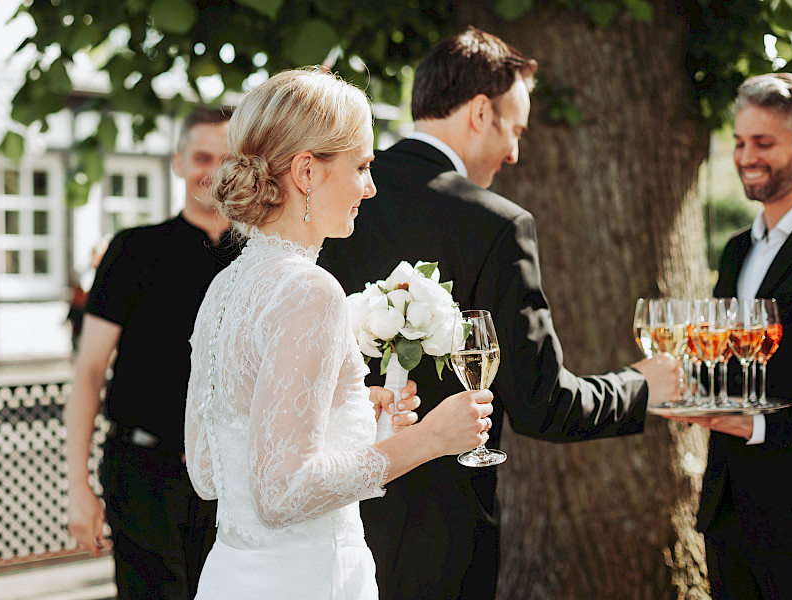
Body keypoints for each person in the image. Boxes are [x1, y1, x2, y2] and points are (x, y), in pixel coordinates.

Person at [318, 27, 682, 600]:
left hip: (322, 514)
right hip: (435, 536)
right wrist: (642, 386)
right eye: (515, 129)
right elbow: (543, 404)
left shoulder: (328, 195)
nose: (515, 152)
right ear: (481, 112)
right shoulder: (494, 223)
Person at [183, 67, 495, 600]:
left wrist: (353, 422)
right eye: (362, 165)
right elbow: (280, 493)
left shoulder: (225, 288)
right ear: (306, 171)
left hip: (231, 575)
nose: (370, 187)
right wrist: (431, 438)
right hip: (308, 580)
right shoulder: (310, 291)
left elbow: (210, 470)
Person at [661, 73, 792, 599]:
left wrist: (759, 427)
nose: (746, 156)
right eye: (741, 142)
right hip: (727, 512)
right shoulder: (735, 251)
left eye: (763, 143)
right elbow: (725, 362)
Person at [64, 107, 239, 600]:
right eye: (202, 156)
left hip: (232, 477)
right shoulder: (131, 251)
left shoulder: (258, 257)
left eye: (227, 158)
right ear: (178, 163)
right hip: (141, 474)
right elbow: (89, 371)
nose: (214, 169)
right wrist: (78, 486)